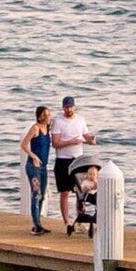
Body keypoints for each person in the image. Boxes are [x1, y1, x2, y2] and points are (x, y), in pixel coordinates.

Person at [50, 97, 91, 233]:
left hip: (78, 159)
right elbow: (55, 143)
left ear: (75, 107)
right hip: (63, 159)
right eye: (66, 107)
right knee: (65, 192)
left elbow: (86, 135)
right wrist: (71, 141)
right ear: (63, 108)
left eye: (71, 107)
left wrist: (92, 140)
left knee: (81, 191)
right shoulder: (58, 121)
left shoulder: (80, 120)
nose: (69, 109)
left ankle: (80, 220)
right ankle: (66, 222)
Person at [20, 104, 55, 232]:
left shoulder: (48, 128)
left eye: (49, 114)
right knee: (36, 194)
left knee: (43, 195)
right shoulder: (35, 128)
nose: (48, 117)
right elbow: (23, 144)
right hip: (33, 167)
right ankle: (36, 225)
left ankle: (38, 223)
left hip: (43, 167)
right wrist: (33, 156)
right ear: (39, 117)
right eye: (45, 115)